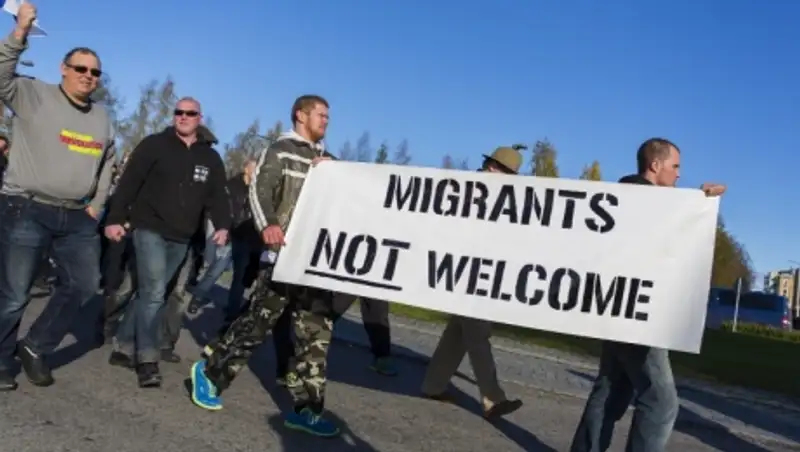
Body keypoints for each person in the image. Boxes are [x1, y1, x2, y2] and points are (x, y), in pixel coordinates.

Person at [189, 94, 341, 438]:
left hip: (314, 265)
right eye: (321, 114)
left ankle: (308, 410)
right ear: (300, 115)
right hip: (281, 260)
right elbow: (260, 190)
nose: (326, 121)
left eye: (328, 116)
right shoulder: (281, 150)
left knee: (315, 337)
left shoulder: (329, 162)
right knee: (256, 325)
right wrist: (268, 225)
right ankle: (209, 373)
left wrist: (332, 175)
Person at [569, 138, 726, 452]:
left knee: (610, 391)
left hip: (616, 309)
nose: (679, 174)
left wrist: (696, 200)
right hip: (640, 318)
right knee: (660, 402)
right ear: (655, 165)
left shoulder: (623, 201)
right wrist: (697, 202)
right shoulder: (646, 205)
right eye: (675, 166)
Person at [0, 2, 115, 391]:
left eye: (94, 72)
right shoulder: (33, 94)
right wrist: (20, 32)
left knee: (84, 284)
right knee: (14, 294)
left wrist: (97, 205)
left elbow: (108, 160)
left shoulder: (101, 116)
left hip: (77, 217)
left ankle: (35, 346)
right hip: (26, 207)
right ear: (63, 69)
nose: (88, 76)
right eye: (81, 68)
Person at [103, 97, 230, 388]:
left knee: (150, 291)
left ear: (199, 118)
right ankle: (147, 359)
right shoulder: (154, 145)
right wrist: (115, 217)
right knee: (155, 293)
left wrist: (223, 226)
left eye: (190, 113)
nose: (183, 117)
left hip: (182, 236)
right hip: (149, 228)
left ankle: (123, 345)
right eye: (178, 112)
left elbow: (217, 197)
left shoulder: (211, 158)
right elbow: (129, 183)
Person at [419, 146, 524, 419]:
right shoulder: (466, 191)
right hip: (464, 274)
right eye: (506, 173)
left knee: (457, 333)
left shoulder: (496, 198)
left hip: (479, 274)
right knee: (477, 333)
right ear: (493, 167)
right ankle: (493, 398)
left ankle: (433, 385)